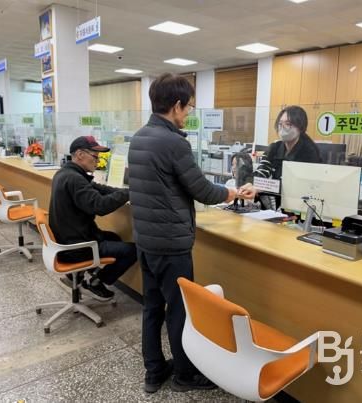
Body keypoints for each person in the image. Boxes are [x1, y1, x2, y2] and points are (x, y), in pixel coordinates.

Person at [127, 73, 241, 394]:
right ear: (176, 106)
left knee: (152, 307)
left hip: (146, 241)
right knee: (178, 310)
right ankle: (184, 375)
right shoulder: (173, 142)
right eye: (189, 107)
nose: (189, 113)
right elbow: (202, 190)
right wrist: (232, 193)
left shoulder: (139, 137)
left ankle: (154, 371)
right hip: (171, 244)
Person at [49, 135, 137, 301]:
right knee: (133, 251)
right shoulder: (75, 179)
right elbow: (100, 206)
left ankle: (78, 276)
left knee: (114, 237)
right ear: (80, 154)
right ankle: (96, 282)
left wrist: (126, 191)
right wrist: (127, 194)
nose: (97, 161)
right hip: (77, 247)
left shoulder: (66, 173)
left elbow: (99, 188)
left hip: (67, 239)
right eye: (95, 157)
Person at [239, 105, 323, 209]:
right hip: (277, 204)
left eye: (288, 124)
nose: (282, 127)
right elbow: (262, 172)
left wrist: (261, 187)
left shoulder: (309, 152)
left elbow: (294, 186)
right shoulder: (275, 147)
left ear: (300, 127)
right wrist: (250, 184)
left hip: (300, 206)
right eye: (280, 123)